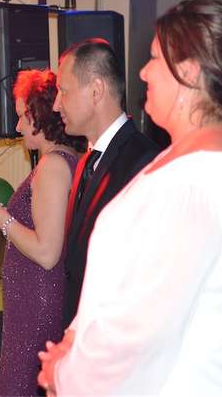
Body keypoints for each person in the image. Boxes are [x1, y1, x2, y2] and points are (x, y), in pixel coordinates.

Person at [38, 0, 222, 396]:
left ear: (188, 73)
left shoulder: (193, 183)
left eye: (154, 59)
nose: (143, 72)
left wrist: (65, 372)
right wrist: (76, 336)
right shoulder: (216, 155)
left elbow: (140, 335)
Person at [0, 68, 86, 396]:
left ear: (41, 117)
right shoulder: (64, 160)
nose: (18, 126)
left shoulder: (53, 167)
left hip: (36, 304)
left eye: (23, 116)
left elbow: (48, 253)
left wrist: (0, 218)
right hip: (34, 301)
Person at [53, 38, 159, 328]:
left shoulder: (144, 162)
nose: (56, 104)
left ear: (96, 90)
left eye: (64, 91)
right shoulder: (87, 160)